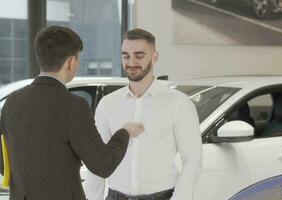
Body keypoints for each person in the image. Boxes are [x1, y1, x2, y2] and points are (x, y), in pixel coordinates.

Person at [0, 25, 144, 200]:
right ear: (71, 62)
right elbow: (103, 165)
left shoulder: (12, 102)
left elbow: (4, 161)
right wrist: (125, 132)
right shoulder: (73, 106)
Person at [85, 28, 202, 200]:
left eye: (139, 55)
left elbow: (192, 161)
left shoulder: (178, 103)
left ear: (155, 57)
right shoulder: (107, 105)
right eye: (126, 55)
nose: (131, 62)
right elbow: (98, 160)